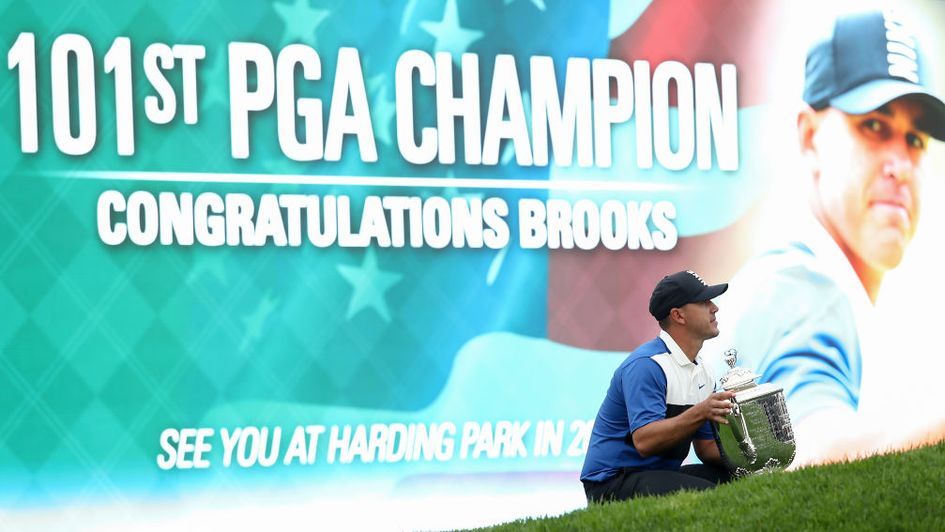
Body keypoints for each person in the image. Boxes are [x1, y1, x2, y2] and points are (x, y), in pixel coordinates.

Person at [708, 8, 945, 467]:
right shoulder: (804, 287)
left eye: (915, 139)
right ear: (811, 137)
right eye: (874, 126)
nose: (900, 163)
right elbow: (815, 457)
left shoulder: (809, 282)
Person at [580, 270, 735, 502]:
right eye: (704, 301)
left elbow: (706, 449)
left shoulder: (703, 370)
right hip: (612, 483)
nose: (715, 307)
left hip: (658, 475)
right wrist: (702, 411)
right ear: (678, 316)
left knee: (741, 480)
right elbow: (645, 441)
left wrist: (756, 457)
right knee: (712, 498)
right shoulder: (647, 365)